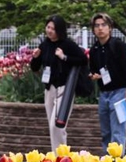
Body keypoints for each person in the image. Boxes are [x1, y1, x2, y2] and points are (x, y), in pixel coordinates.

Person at [30, 15, 88, 153]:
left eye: (53, 29)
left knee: (57, 125)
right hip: (49, 89)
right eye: (48, 27)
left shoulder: (67, 44)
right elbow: (35, 67)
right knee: (52, 127)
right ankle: (58, 155)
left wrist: (64, 57)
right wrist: (35, 58)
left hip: (64, 89)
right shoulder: (45, 45)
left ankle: (61, 158)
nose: (49, 31)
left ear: (60, 30)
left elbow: (83, 60)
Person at [88, 13, 126, 154]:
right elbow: (93, 69)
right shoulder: (94, 50)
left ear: (110, 28)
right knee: (106, 132)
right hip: (104, 94)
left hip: (120, 92)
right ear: (93, 30)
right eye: (97, 26)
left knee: (117, 131)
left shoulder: (118, 45)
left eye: (103, 25)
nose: (100, 28)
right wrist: (94, 75)